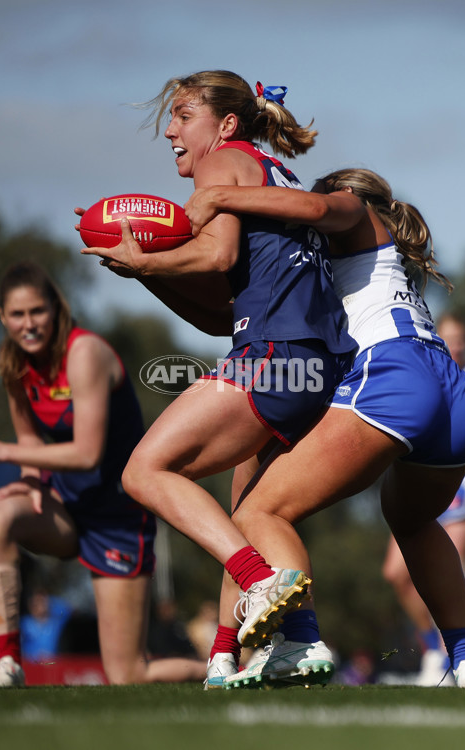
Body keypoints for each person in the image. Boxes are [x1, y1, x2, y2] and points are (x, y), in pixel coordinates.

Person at [79, 70, 356, 684]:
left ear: (225, 124)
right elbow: (218, 313)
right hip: (315, 363)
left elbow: (216, 255)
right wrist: (145, 271)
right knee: (243, 509)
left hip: (276, 355)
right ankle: (256, 650)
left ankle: (261, 582)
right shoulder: (264, 165)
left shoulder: (222, 160)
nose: (171, 132)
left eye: (181, 117)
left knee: (144, 471)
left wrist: (146, 255)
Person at [182, 168, 465, 690]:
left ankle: (301, 640)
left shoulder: (350, 212)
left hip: (394, 377)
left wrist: (219, 194)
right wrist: (149, 267)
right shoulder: (347, 264)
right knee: (411, 520)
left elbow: (317, 210)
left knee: (259, 509)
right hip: (452, 395)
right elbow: (224, 315)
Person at [0, 261, 206, 686]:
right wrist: (30, 481)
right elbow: (30, 440)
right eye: (17, 314)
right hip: (68, 509)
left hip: (118, 518)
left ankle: (227, 670)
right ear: (2, 317)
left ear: (56, 309)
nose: (28, 324)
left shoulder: (84, 353)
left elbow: (88, 454)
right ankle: (8, 662)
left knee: (127, 675)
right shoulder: (13, 360)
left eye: (37, 311)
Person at [382, 311, 465, 685]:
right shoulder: (426, 368)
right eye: (448, 337)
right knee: (396, 573)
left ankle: (460, 657)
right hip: (422, 480)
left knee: (448, 573)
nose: (455, 345)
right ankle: (435, 649)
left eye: (461, 339)